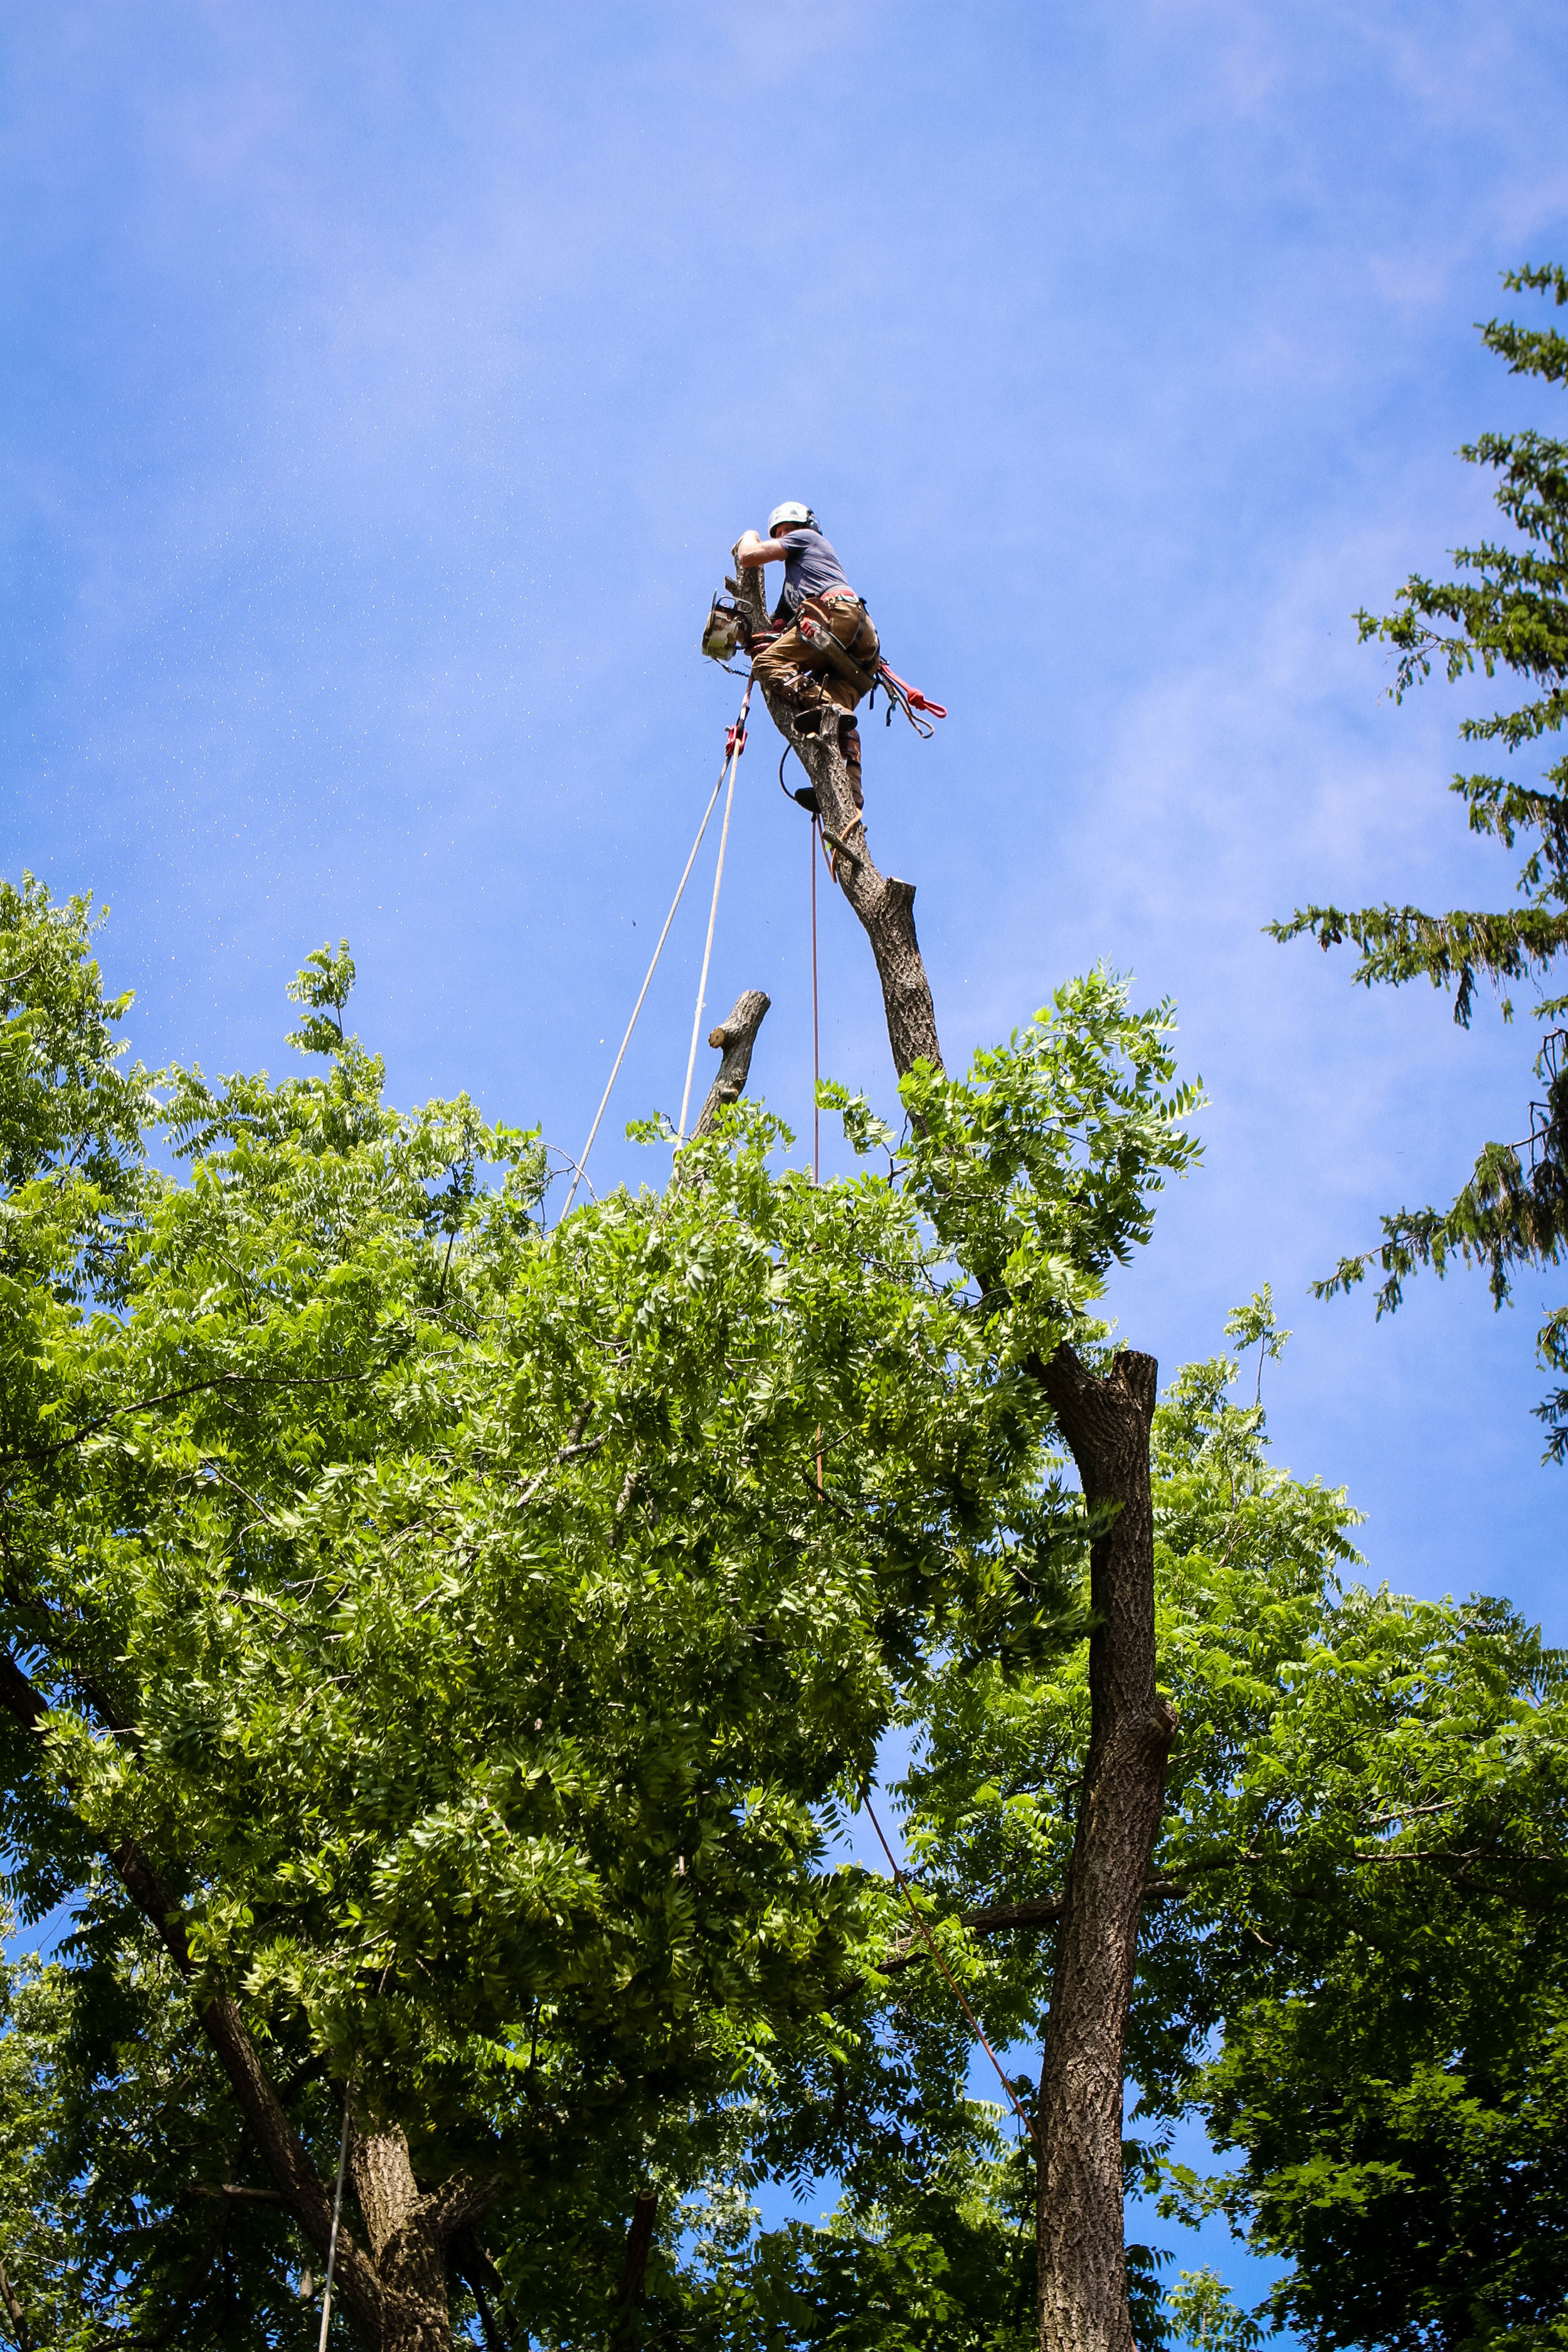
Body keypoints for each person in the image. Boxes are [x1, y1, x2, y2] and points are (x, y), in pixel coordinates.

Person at [736, 503, 879, 808]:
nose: (784, 536)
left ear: (805, 526)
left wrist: (750, 536)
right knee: (838, 725)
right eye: (780, 533)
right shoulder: (798, 584)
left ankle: (832, 709)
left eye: (788, 530)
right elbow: (778, 624)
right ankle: (847, 794)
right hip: (860, 652)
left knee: (767, 663)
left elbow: (749, 556)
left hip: (837, 615)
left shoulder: (807, 539)